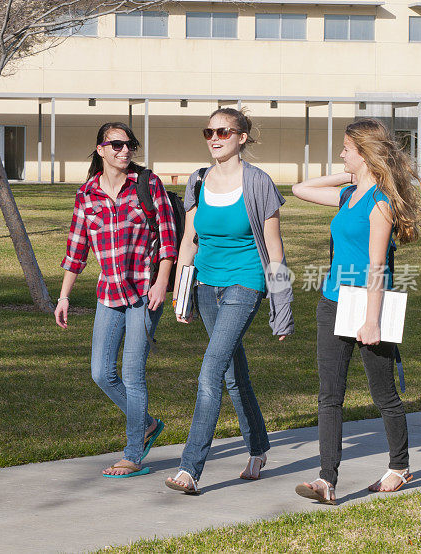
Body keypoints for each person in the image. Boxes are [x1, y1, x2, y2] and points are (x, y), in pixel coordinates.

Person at [292, 118, 421, 505]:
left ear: (364, 152)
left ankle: (399, 467)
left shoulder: (379, 202)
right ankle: (325, 480)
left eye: (347, 149)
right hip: (332, 303)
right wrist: (352, 171)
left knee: (384, 395)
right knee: (329, 395)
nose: (341, 153)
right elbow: (300, 188)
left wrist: (371, 320)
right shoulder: (349, 195)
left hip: (368, 307)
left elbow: (377, 267)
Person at [165, 108, 294, 495]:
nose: (214, 138)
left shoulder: (258, 183)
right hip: (206, 285)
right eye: (209, 131)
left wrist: (282, 306)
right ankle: (258, 448)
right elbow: (189, 238)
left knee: (210, 372)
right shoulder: (198, 180)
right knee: (233, 374)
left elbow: (274, 250)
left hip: (245, 283)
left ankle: (190, 469)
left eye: (223, 131)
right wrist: (180, 291)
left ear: (242, 137)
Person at [54, 122, 178, 478]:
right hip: (109, 294)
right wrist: (63, 296)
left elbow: (168, 238)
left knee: (132, 374)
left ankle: (133, 454)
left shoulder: (147, 184)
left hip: (144, 293)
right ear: (101, 149)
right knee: (100, 373)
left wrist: (161, 283)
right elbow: (76, 250)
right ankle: (149, 424)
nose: (125, 151)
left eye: (130, 145)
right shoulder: (86, 195)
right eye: (117, 145)